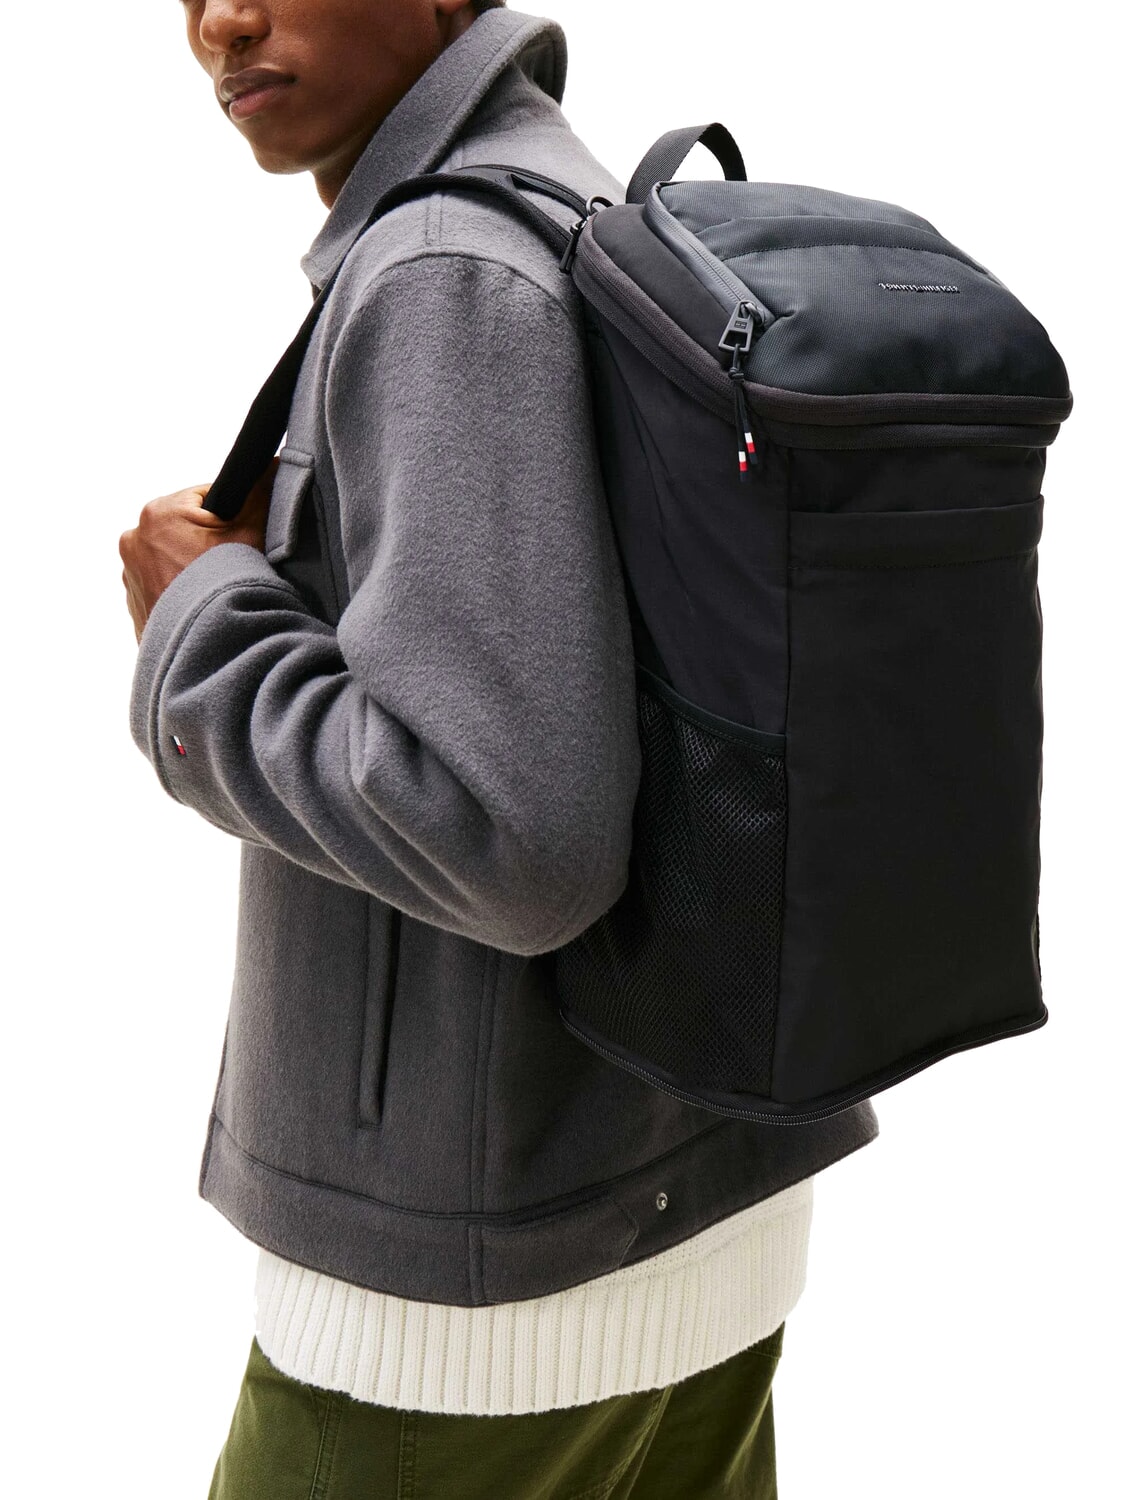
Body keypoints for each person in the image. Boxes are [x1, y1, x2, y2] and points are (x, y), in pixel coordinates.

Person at [119, 3, 879, 1495]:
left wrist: (201, 630)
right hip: (688, 1215)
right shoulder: (581, 201)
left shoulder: (444, 269)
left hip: (468, 1312)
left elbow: (511, 838)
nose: (221, 20)